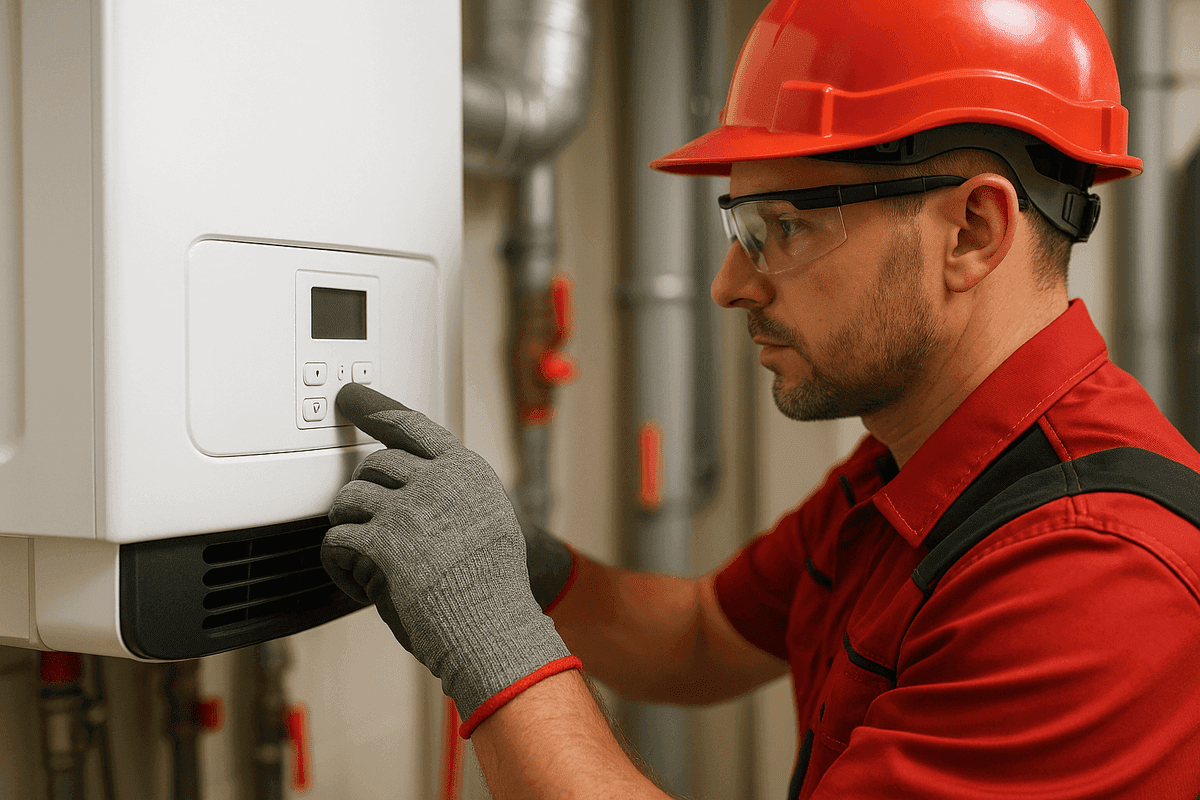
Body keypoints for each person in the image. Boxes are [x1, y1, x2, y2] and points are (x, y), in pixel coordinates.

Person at [320, 0, 1200, 796]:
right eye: (740, 227)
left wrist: (487, 629)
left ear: (972, 230)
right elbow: (699, 637)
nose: (729, 283)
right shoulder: (920, 462)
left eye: (784, 227)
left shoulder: (1091, 581)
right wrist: (513, 557)